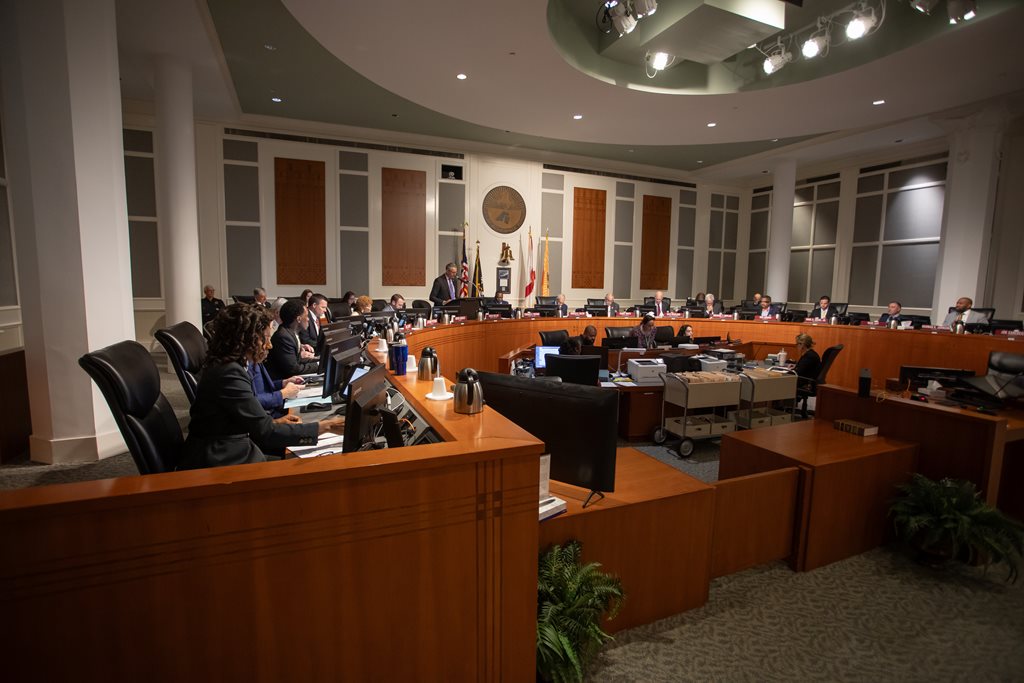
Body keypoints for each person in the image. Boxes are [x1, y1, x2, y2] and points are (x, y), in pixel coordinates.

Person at [177, 303, 344, 470]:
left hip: (235, 447)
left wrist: (275, 421)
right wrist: (327, 426)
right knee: (312, 469)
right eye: (265, 337)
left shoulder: (232, 365)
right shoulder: (228, 373)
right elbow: (266, 432)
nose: (269, 345)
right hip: (222, 461)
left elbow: (241, 417)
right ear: (245, 339)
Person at [267, 300, 320, 380]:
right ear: (298, 319)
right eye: (306, 316)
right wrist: (318, 365)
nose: (308, 319)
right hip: (281, 383)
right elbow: (293, 369)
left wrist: (319, 360)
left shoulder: (291, 332)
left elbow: (297, 360)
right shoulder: (284, 337)